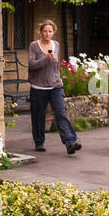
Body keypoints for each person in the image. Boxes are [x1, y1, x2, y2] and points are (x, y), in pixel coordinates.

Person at [27, 20, 81, 155]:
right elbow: (32, 64)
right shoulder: (34, 46)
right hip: (38, 87)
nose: (47, 34)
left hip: (55, 85)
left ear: (54, 32)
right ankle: (39, 142)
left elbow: (55, 65)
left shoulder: (56, 44)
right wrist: (46, 58)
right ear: (41, 32)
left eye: (50, 31)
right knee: (38, 115)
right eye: (45, 31)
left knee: (60, 113)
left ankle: (70, 142)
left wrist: (58, 77)